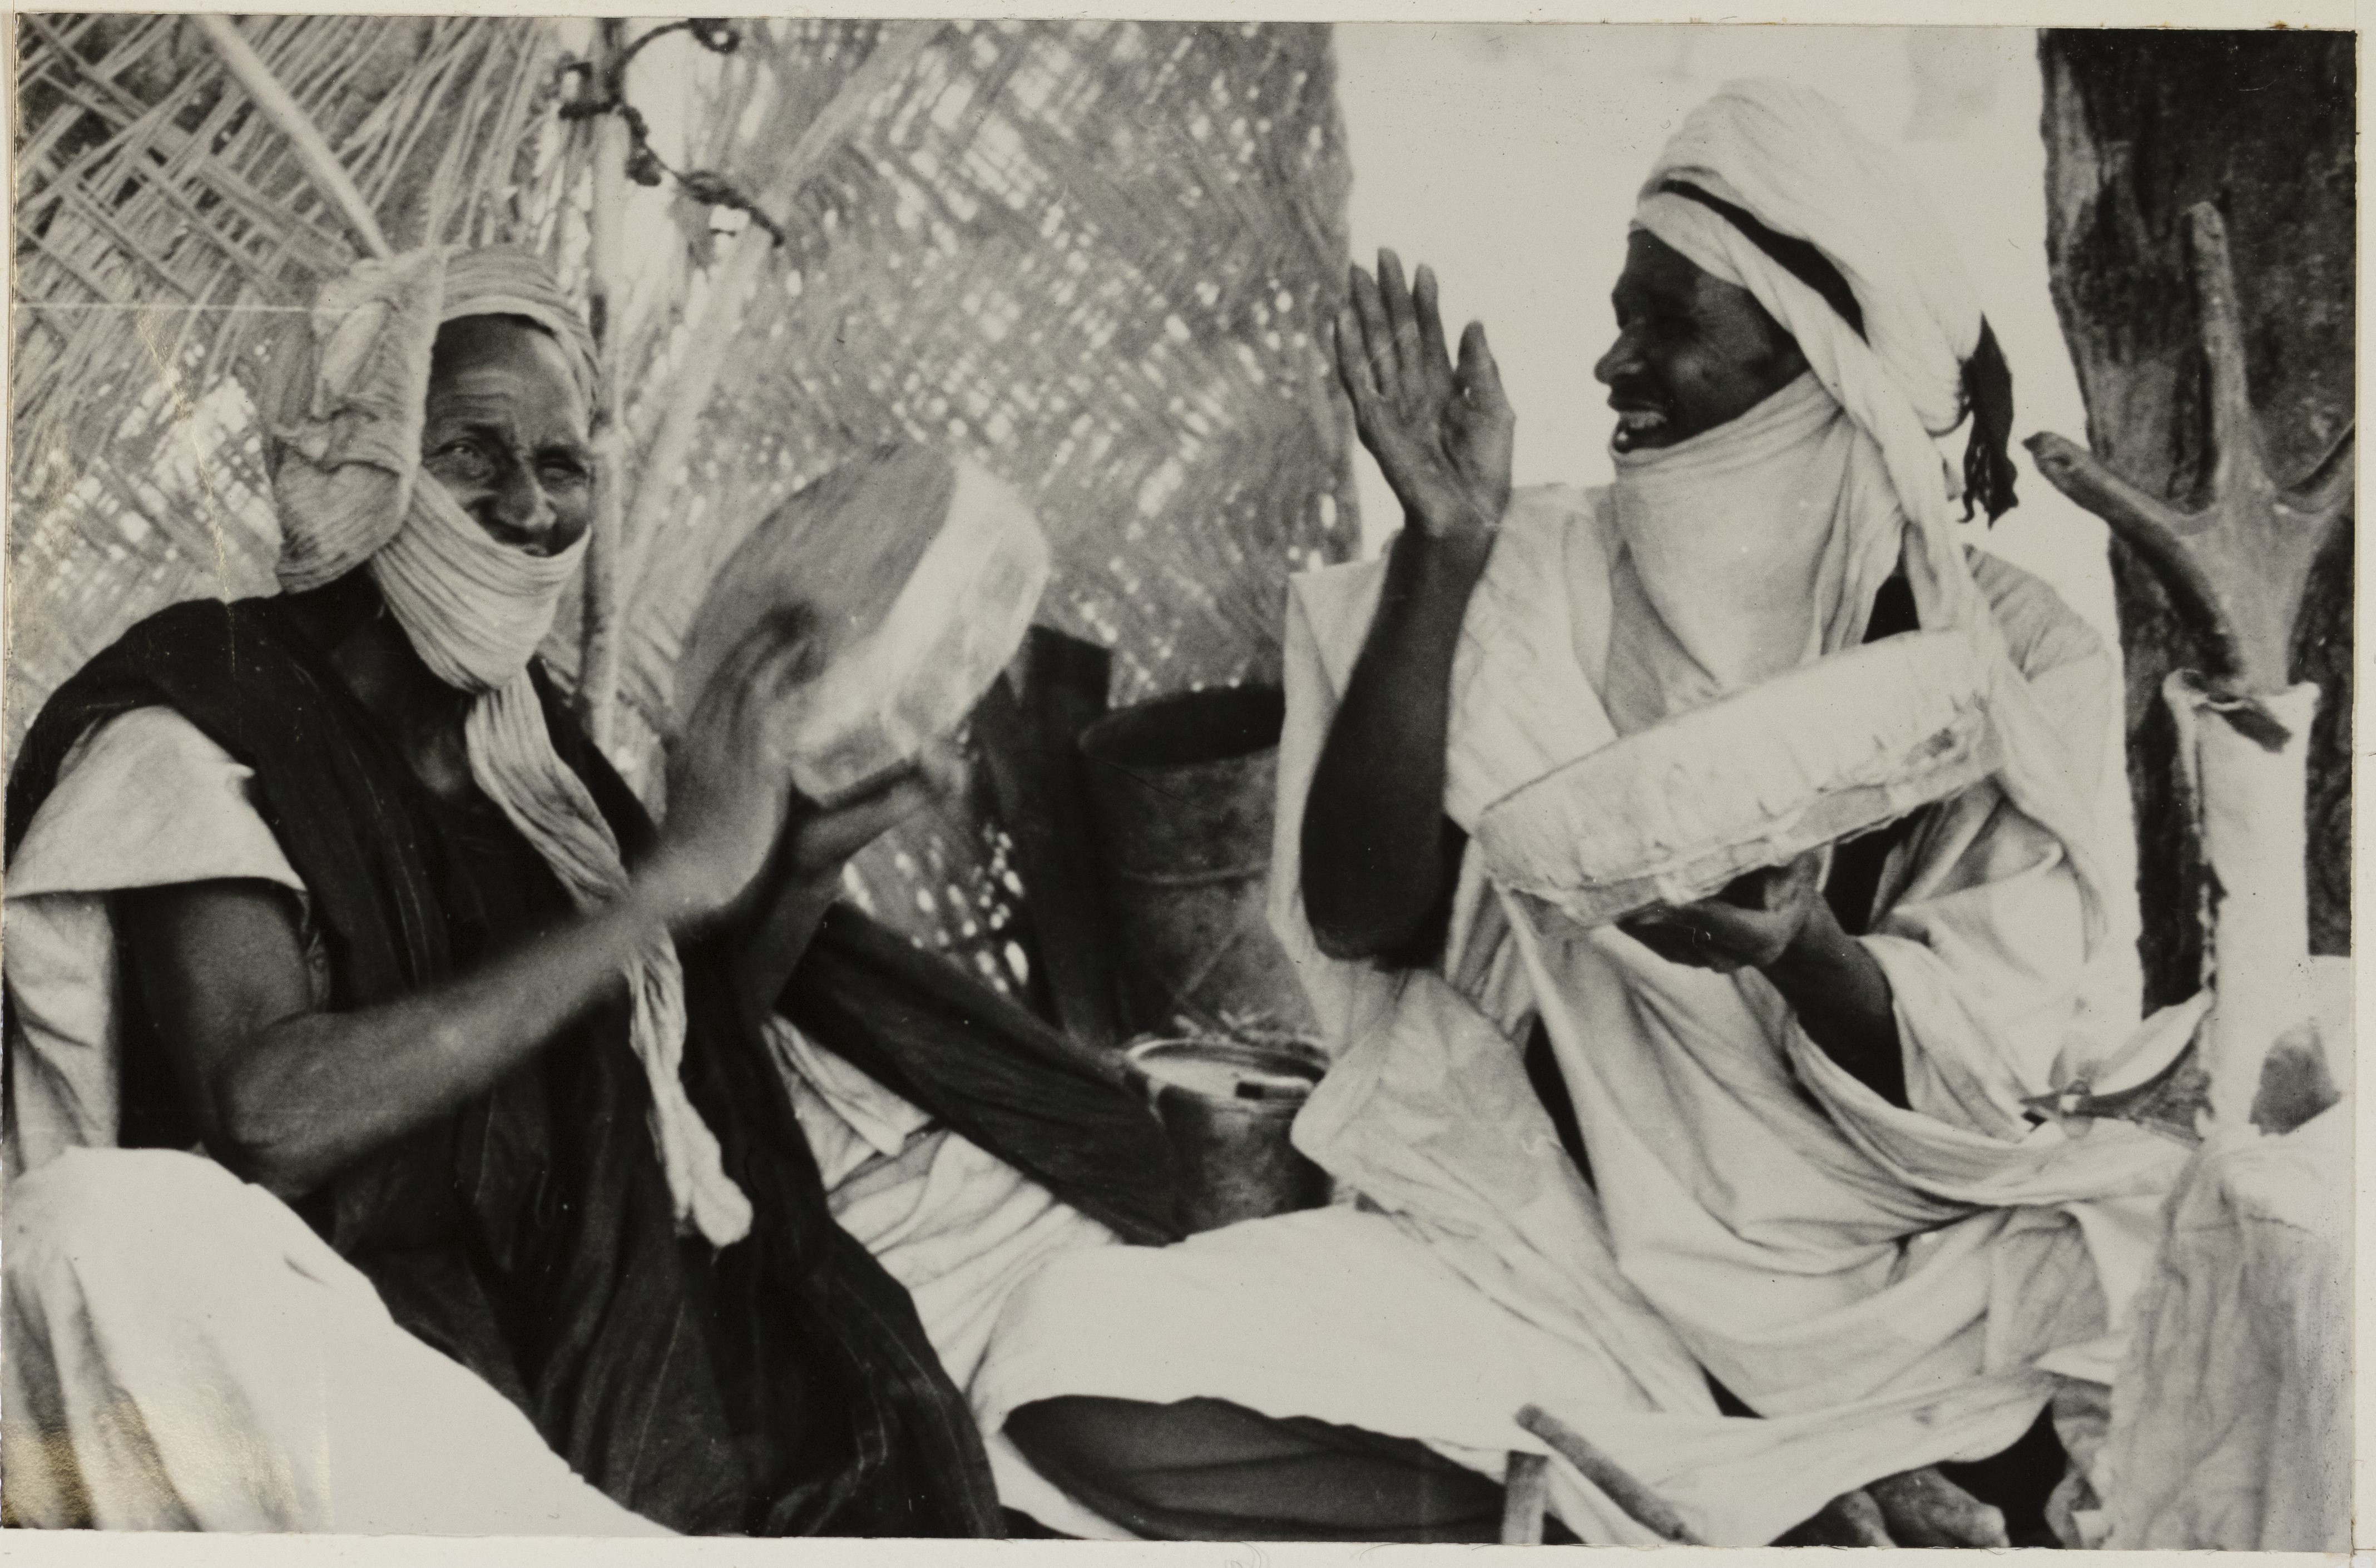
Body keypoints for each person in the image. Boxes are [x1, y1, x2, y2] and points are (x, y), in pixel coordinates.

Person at [978, 79, 2191, 1546]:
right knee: (1073, 1364)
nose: (1616, 358)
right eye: (1624, 312)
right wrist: (1446, 547)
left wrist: (1799, 947)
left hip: (1913, 1291)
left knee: (2164, 1319)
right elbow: (1364, 916)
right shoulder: (1538, 573)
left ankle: (1714, 1491)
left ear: (1819, 354)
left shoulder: (2015, 649)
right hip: (1568, 1266)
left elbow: (2002, 1081)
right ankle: (1701, 1514)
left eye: (1669, 319)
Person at [1, 245, 1151, 1534]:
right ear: (352, 467)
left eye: (561, 466)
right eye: (472, 456)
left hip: (584, 1297)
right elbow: (269, 1113)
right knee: (103, 1231)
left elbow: (673, 1055)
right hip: (367, 1324)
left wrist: (805, 858)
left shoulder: (523, 754)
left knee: (1057, 1214)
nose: (530, 509)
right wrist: (655, 891)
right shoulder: (197, 726)